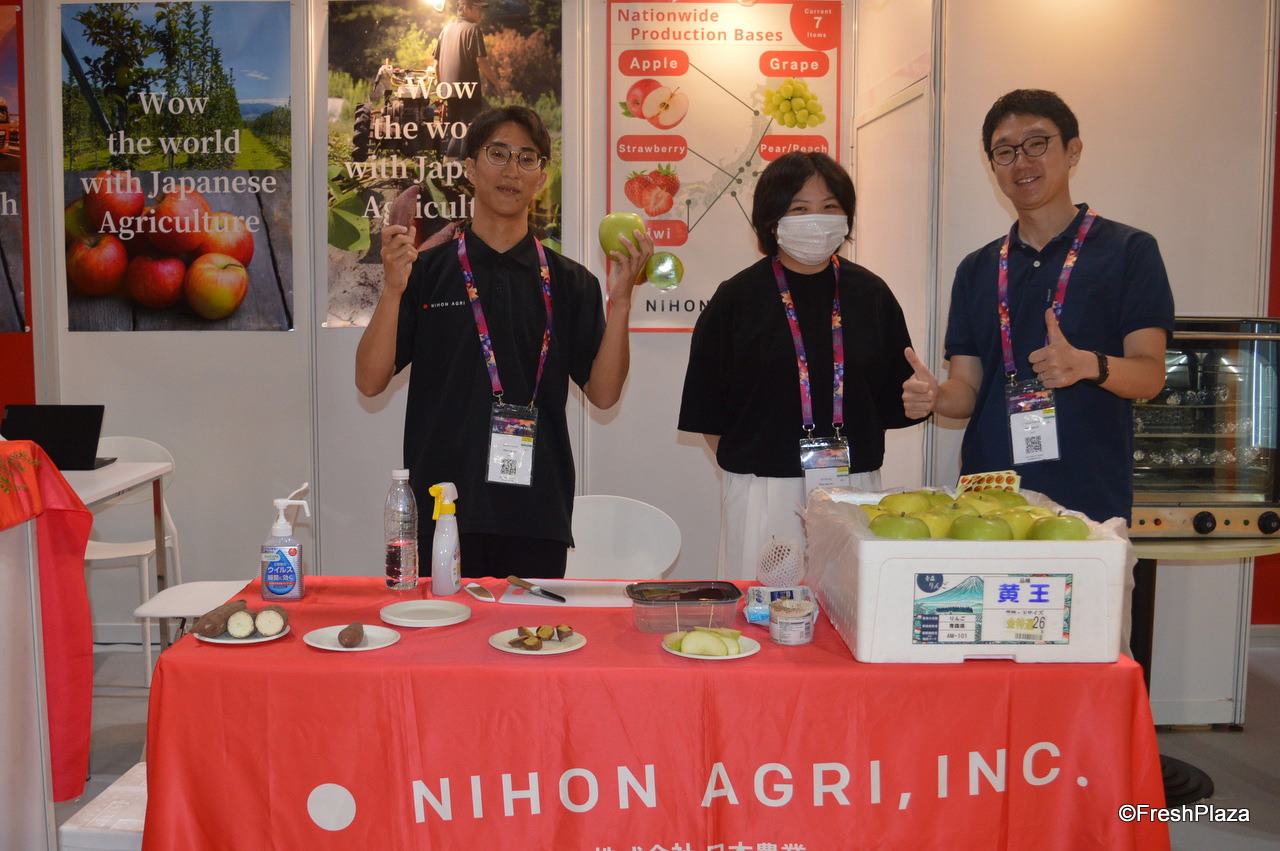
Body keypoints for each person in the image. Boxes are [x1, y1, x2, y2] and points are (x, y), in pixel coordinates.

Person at [356, 105, 652, 578]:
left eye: (527, 158)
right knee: (441, 627)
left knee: (530, 626)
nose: (512, 170)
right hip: (442, 510)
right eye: (498, 154)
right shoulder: (424, 273)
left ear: (541, 178)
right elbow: (370, 381)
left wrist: (621, 302)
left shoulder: (571, 282)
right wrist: (392, 289)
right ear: (471, 168)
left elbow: (604, 393)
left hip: (537, 516)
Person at [902, 89, 1174, 523]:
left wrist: (1088, 365)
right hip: (987, 498)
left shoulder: (1129, 251)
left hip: (1088, 500)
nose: (1022, 162)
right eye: (1005, 151)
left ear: (1073, 150)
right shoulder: (977, 268)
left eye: (1037, 143)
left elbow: (1150, 376)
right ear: (993, 166)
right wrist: (936, 397)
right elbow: (967, 390)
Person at [678, 151, 924, 580]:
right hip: (763, 490)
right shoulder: (737, 298)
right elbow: (708, 409)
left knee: (847, 605)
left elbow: (892, 401)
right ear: (771, 219)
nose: (817, 220)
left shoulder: (871, 294)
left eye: (830, 207)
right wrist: (761, 469)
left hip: (853, 488)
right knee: (764, 606)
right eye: (799, 209)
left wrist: (922, 397)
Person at [434, 0, 502, 160]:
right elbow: (481, 60)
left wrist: (440, 86)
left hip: (449, 91)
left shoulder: (445, 30)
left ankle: (450, 167)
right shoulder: (473, 29)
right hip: (468, 90)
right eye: (478, 9)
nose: (481, 13)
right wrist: (496, 83)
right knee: (469, 131)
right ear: (466, 8)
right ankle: (462, 168)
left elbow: (436, 64)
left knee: (456, 131)